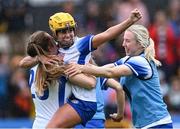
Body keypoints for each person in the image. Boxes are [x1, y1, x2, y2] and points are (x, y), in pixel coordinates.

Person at [19, 9, 142, 128]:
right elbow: (23, 62)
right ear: (55, 33)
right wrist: (40, 58)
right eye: (63, 32)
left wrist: (129, 21)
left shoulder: (82, 44)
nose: (68, 35)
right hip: (73, 102)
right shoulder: (53, 50)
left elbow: (107, 34)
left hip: (84, 102)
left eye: (70, 30)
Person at [65, 24, 173, 128]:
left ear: (140, 44)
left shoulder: (141, 62)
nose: (123, 44)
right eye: (123, 40)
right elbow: (104, 69)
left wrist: (82, 68)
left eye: (127, 41)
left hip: (158, 124)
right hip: (144, 125)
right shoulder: (128, 59)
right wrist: (80, 65)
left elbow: (110, 73)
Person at [24, 30, 96, 129]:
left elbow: (22, 62)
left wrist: (39, 58)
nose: (58, 45)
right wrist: (87, 66)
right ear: (50, 47)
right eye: (54, 42)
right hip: (55, 124)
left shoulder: (33, 66)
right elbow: (91, 83)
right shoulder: (59, 69)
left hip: (38, 124)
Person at [75, 59, 125, 128]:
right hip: (98, 120)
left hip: (78, 118)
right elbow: (119, 87)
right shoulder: (98, 75)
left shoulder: (73, 74)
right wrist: (120, 114)